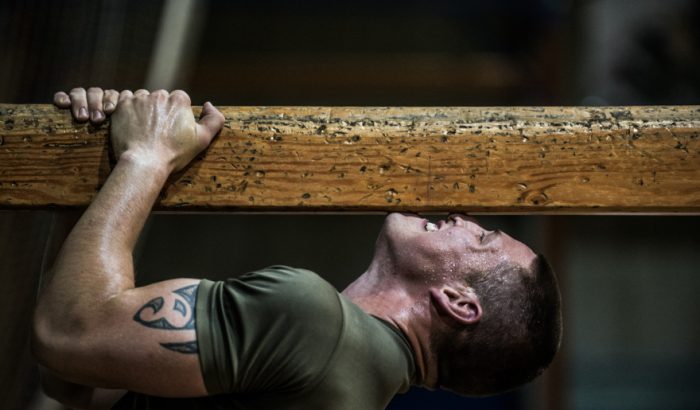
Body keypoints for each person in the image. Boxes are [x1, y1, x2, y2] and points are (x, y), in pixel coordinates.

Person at [32, 87, 563, 410]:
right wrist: (92, 185)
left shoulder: (314, 324)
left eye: (483, 238)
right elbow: (81, 383)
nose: (464, 218)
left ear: (459, 300)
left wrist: (146, 158)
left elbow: (70, 333)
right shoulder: (345, 381)